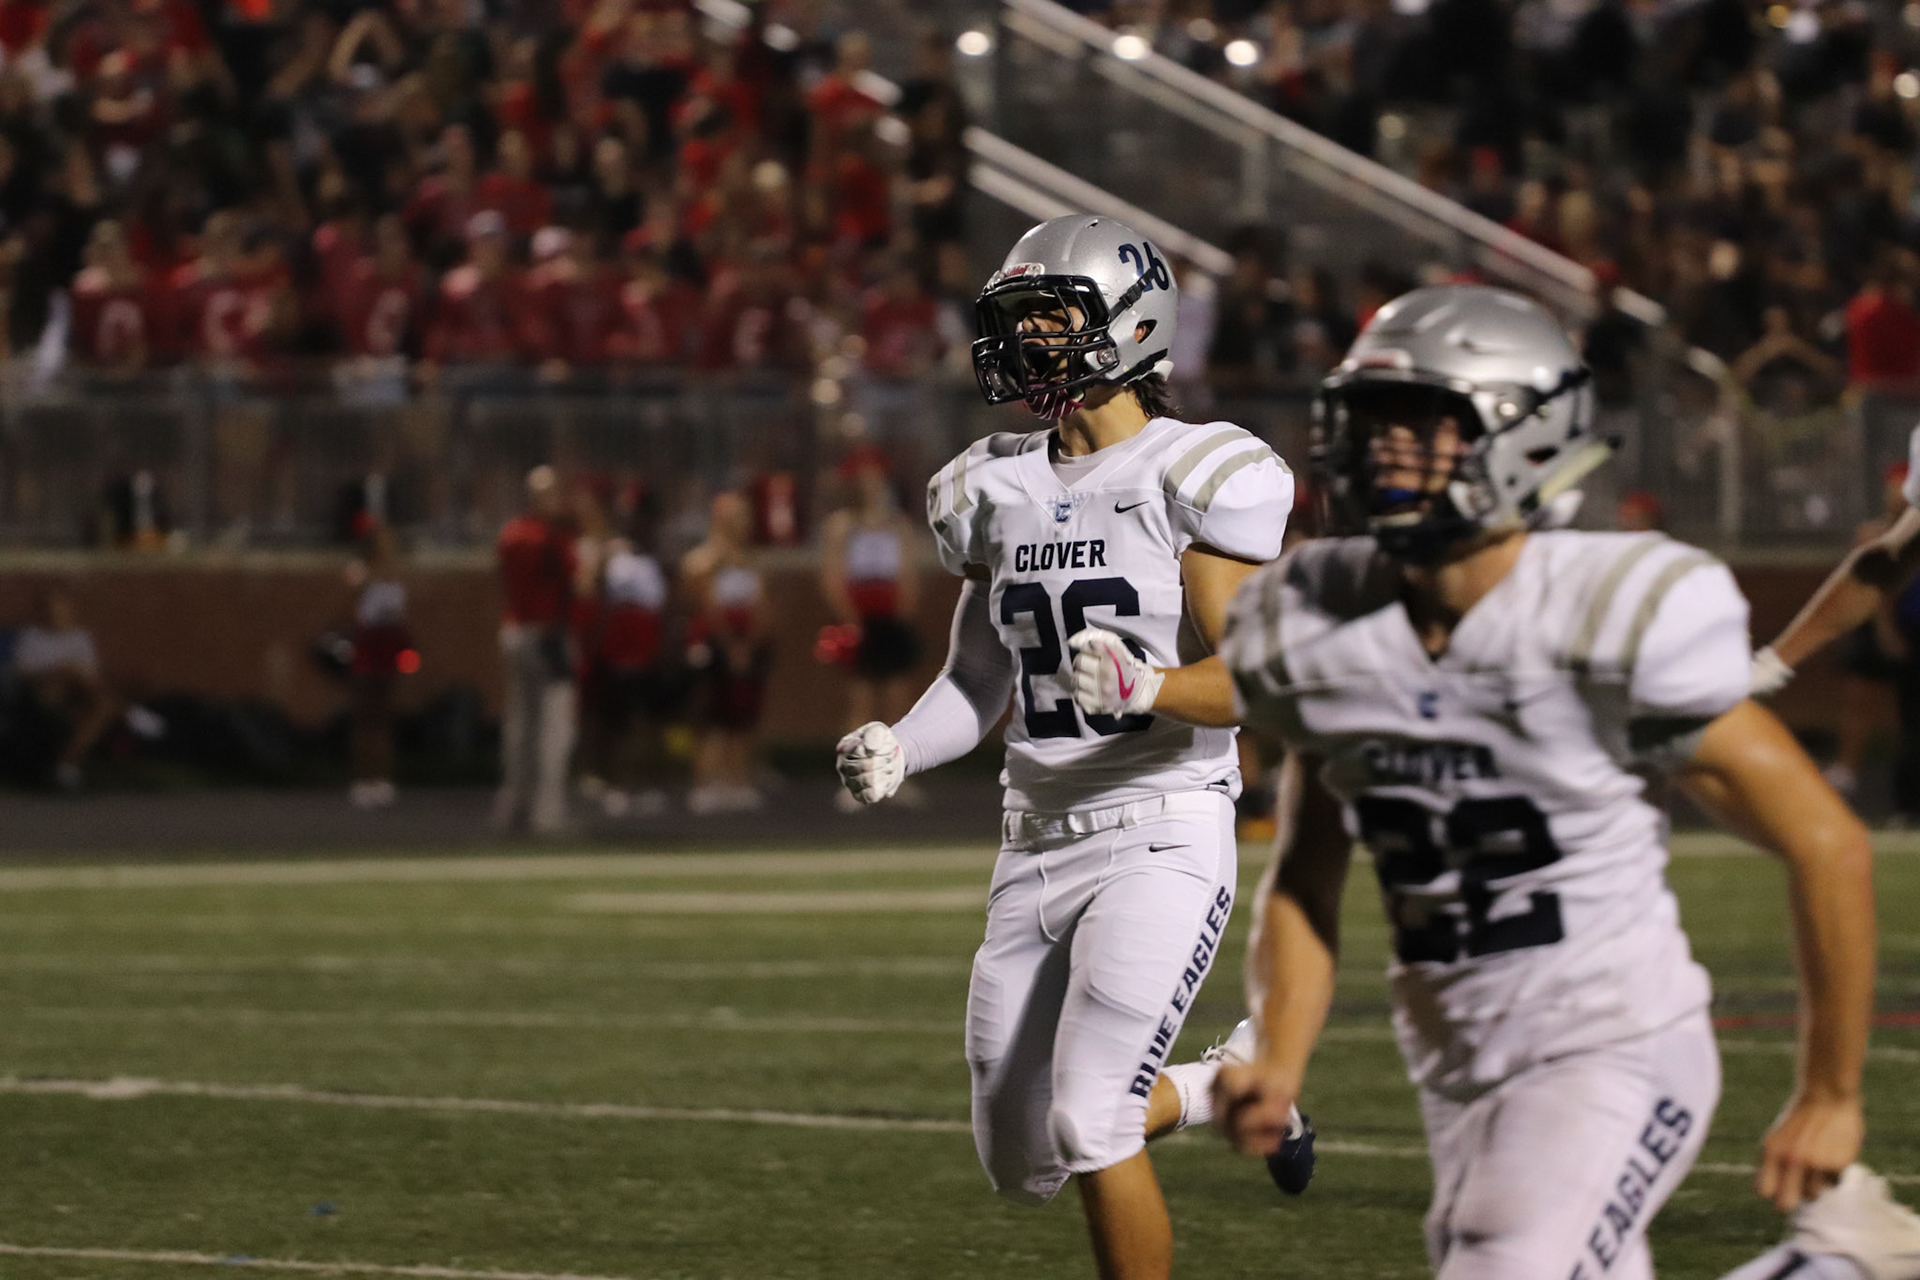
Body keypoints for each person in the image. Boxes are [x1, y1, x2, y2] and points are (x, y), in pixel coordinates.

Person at [1070, 284, 1919, 1280]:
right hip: (1459, 1062)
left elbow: (1824, 839)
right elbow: (1306, 875)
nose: (1384, 450)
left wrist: (1830, 1092)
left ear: (1527, 434)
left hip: (1613, 1042)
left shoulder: (1605, 607)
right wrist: (1282, 1053)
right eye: (1374, 422)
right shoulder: (1314, 613)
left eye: (1423, 424)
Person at [834, 214, 1296, 1280]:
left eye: (1049, 315)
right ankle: (1228, 1080)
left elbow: (1259, 679)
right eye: (1017, 319)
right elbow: (977, 679)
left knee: (1092, 1118)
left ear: (1132, 322)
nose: (1026, 339)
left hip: (1162, 831)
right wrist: (902, 745)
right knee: (1024, 1160)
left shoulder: (1192, 470)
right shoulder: (991, 486)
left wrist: (1150, 685)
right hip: (1033, 839)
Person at [820, 445, 921, 811]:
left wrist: (904, 614)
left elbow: (907, 573)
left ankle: (894, 775)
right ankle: (856, 779)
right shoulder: (842, 526)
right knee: (861, 701)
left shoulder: (898, 525)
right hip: (859, 617)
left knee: (897, 699)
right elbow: (834, 575)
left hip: (891, 617)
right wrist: (850, 619)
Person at [494, 465, 577, 835]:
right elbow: (575, 579)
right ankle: (547, 812)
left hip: (515, 631)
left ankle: (514, 806)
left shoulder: (511, 533)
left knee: (520, 725)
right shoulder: (550, 537)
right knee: (554, 727)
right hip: (548, 637)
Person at [683, 491, 770, 815]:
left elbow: (761, 606)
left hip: (747, 644)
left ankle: (737, 779)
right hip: (714, 646)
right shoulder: (705, 559)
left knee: (741, 717)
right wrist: (728, 643)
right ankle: (707, 780)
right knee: (711, 717)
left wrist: (749, 642)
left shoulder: (749, 560)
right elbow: (701, 602)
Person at [11, 586, 115, 792]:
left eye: (61, 609)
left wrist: (73, 673)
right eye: (51, 609)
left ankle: (64, 764)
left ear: (70, 610)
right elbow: (21, 673)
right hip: (42, 690)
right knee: (58, 683)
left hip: (77, 691)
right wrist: (56, 670)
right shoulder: (32, 637)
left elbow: (91, 676)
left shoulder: (80, 638)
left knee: (103, 705)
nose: (56, 614)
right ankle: (63, 768)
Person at [345, 522, 411, 809]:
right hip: (367, 651)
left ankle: (383, 779)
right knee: (365, 719)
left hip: (387, 650)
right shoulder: (360, 572)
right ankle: (364, 778)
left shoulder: (396, 575)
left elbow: (400, 614)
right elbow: (351, 605)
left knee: (383, 719)